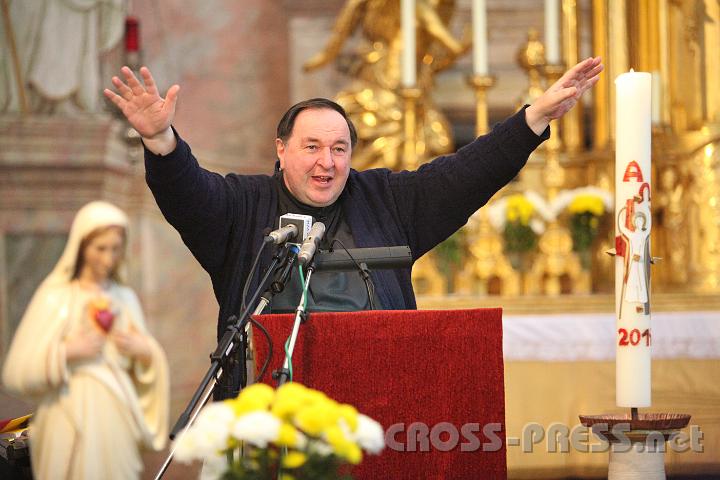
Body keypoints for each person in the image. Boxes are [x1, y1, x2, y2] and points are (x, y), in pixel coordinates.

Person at [103, 57, 603, 397]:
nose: (327, 162)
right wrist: (162, 139)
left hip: (378, 405)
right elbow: (188, 193)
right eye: (312, 147)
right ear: (281, 149)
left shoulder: (387, 200)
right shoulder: (241, 206)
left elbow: (463, 175)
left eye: (339, 149)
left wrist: (532, 118)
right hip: (264, 413)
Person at [2, 201, 169, 479]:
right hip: (67, 416)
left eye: (115, 249)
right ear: (81, 247)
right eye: (100, 248)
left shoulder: (123, 298)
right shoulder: (57, 297)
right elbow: (16, 370)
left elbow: (146, 359)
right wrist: (66, 352)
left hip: (114, 419)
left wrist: (145, 353)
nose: (108, 259)